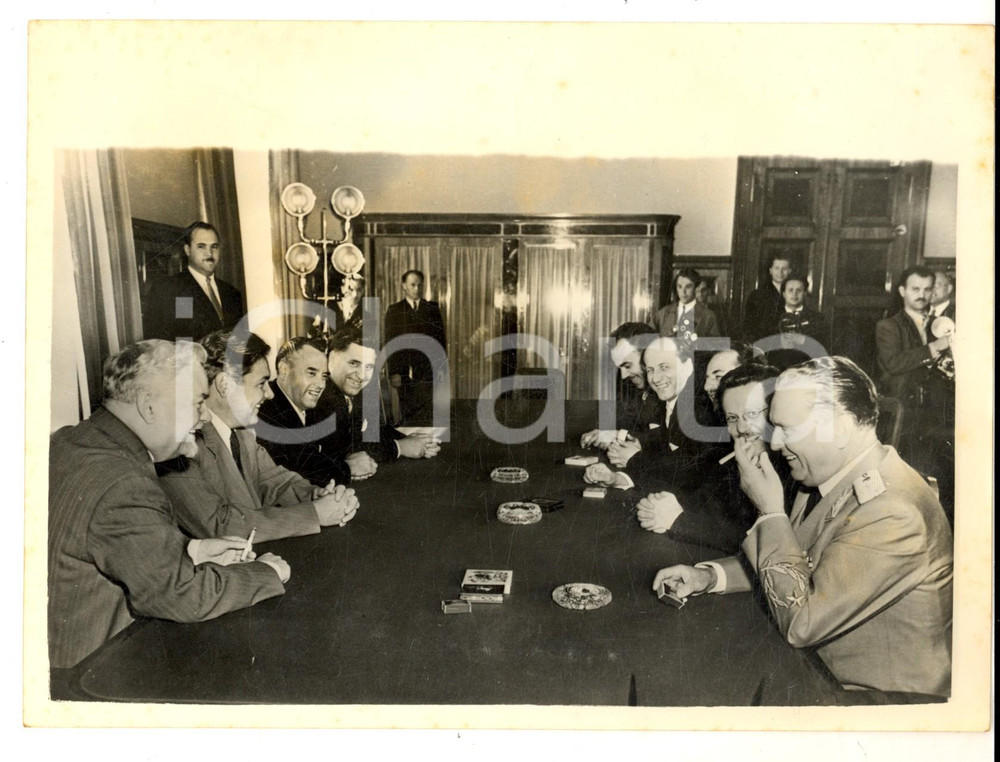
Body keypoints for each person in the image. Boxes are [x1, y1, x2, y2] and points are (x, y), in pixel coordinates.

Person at [654, 357, 953, 699]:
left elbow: (802, 623)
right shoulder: (829, 477)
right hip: (819, 664)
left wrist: (769, 511)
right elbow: (799, 560)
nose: (776, 442)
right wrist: (709, 577)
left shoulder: (893, 512)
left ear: (839, 428)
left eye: (788, 429)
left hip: (871, 698)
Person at [48, 340, 290, 670]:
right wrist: (265, 572)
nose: (204, 417)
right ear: (149, 406)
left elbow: (108, 545)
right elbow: (180, 594)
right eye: (197, 403)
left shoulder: (71, 441)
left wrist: (192, 550)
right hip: (92, 671)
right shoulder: (125, 482)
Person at [157, 331, 359, 543]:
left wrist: (316, 495)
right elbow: (218, 524)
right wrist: (315, 514)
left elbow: (275, 483)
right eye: (261, 384)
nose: (269, 394)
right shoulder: (181, 444)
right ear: (225, 384)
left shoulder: (241, 435)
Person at [636, 363, 794, 553]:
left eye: (752, 414)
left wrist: (678, 520)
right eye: (733, 418)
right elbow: (705, 501)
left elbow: (763, 542)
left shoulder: (793, 469)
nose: (741, 428)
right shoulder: (736, 459)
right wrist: (664, 505)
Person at [584, 337, 714, 492]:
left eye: (664, 367)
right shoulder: (673, 398)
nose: (655, 378)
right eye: (650, 370)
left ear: (687, 365)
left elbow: (689, 476)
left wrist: (635, 458)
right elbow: (665, 455)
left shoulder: (701, 407)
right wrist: (616, 479)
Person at [316, 327, 441, 481]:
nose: (362, 376)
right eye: (354, 363)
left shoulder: (352, 390)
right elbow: (345, 450)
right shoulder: (319, 394)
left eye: (368, 367)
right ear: (332, 358)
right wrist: (400, 447)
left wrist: (415, 441)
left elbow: (373, 430)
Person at [255, 336, 351, 486]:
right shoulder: (266, 410)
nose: (320, 384)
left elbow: (335, 451)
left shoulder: (316, 407)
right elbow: (297, 473)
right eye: (311, 373)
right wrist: (348, 468)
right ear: (284, 370)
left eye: (324, 377)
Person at [143, 221, 245, 342]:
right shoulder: (170, 288)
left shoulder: (232, 293)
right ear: (187, 250)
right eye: (201, 246)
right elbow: (161, 342)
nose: (209, 253)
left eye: (214, 246)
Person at [580, 322, 663, 450]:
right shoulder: (634, 385)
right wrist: (606, 434)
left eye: (628, 366)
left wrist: (618, 435)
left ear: (648, 355)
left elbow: (662, 439)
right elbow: (629, 425)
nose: (624, 376)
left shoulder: (669, 389)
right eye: (620, 368)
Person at [384, 269, 447, 424]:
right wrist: (394, 372)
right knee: (407, 412)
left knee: (427, 412)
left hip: (428, 370)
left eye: (419, 285)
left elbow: (440, 341)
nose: (417, 288)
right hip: (404, 373)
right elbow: (390, 342)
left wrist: (441, 368)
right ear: (404, 286)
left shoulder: (432, 309)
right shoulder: (395, 310)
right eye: (412, 285)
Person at [766, 275, 829, 370]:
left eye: (798, 290)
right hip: (778, 371)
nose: (794, 294)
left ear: (804, 293)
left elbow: (824, 347)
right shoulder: (771, 317)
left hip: (808, 371)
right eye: (790, 290)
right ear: (783, 294)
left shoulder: (817, 318)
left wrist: (803, 341)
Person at [652, 268, 721, 342]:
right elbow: (647, 339)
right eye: (679, 286)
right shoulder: (663, 313)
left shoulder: (708, 316)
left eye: (688, 287)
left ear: (696, 288)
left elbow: (715, 345)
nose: (683, 292)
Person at [742, 254, 791, 342]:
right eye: (777, 268)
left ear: (789, 271)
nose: (780, 272)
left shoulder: (795, 294)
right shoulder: (757, 295)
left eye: (784, 269)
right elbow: (749, 327)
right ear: (770, 271)